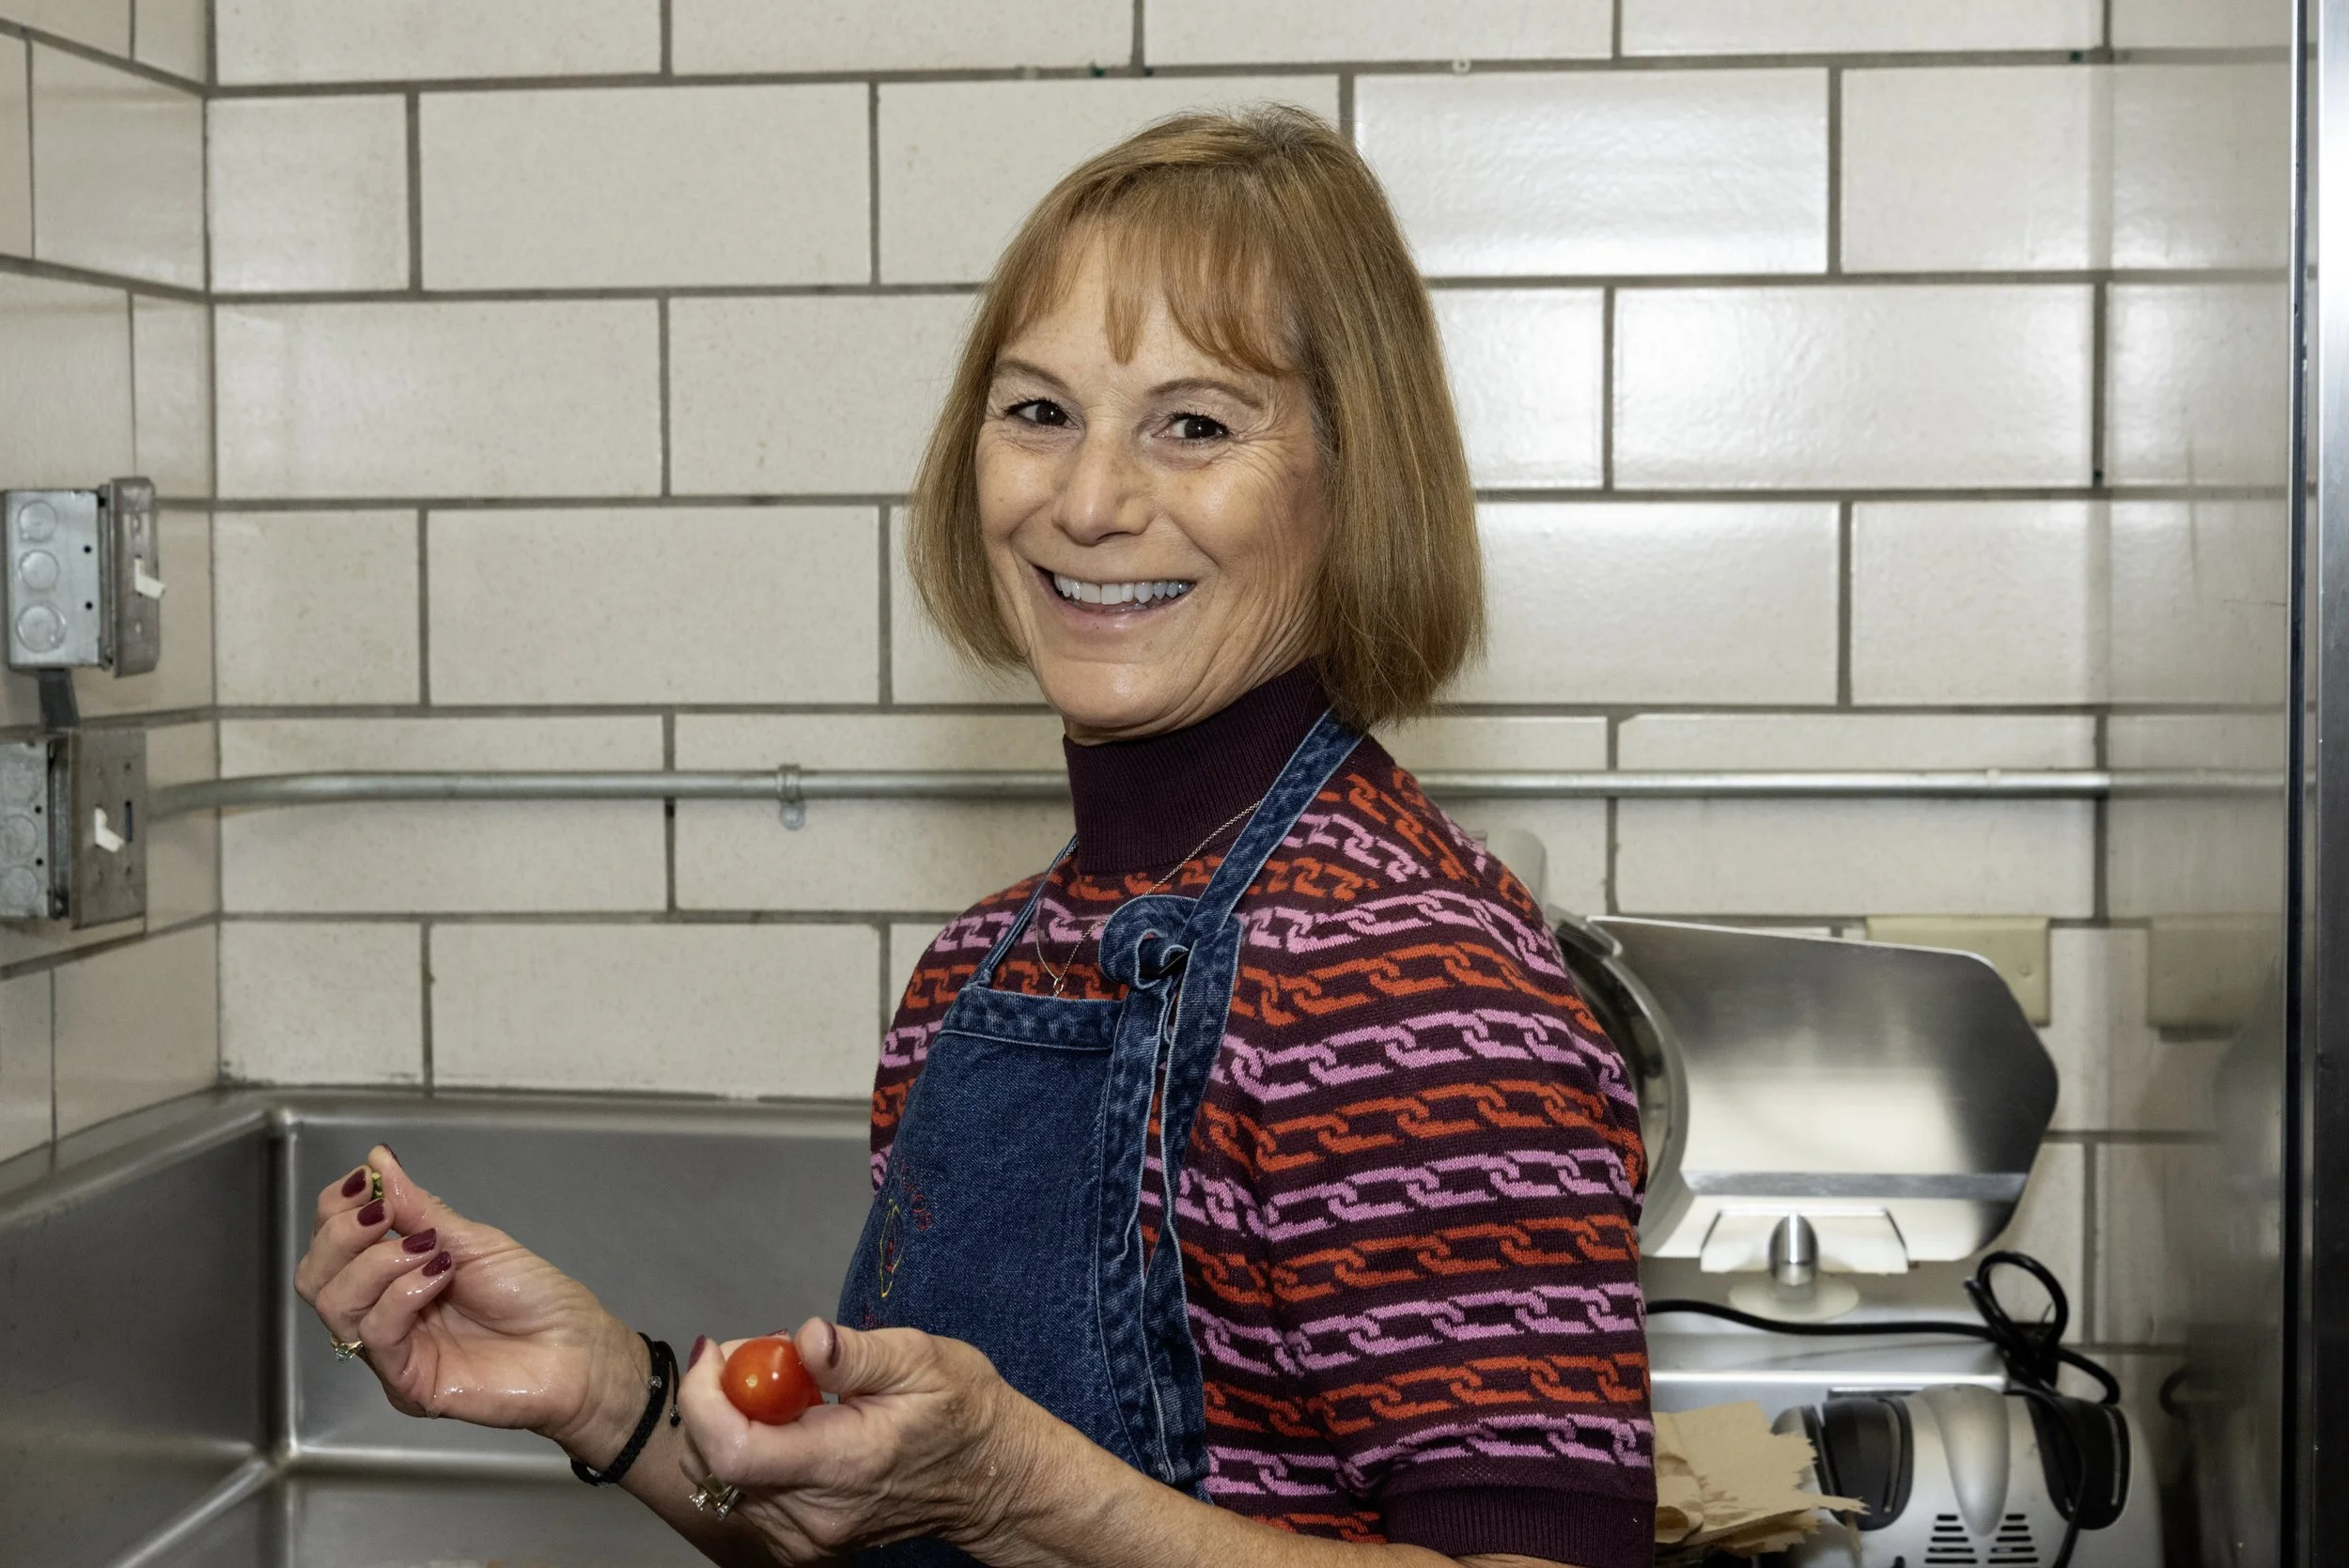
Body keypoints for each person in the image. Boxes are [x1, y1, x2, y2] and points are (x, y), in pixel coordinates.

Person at [295, 105, 1652, 1568]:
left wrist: (1026, 1488)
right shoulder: (984, 967)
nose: (1088, 501)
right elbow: (876, 1525)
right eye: (1039, 411)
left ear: (1351, 480)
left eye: (1195, 424)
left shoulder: (1411, 977)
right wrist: (609, 1396)